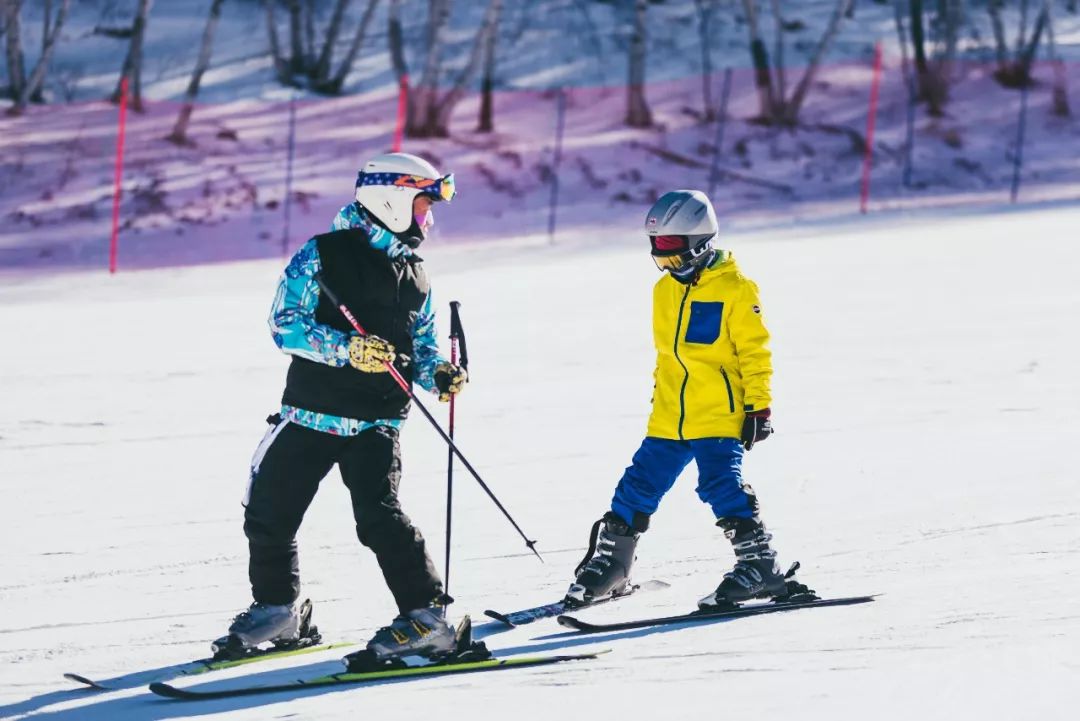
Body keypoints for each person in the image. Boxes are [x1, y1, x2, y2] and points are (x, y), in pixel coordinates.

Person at [215, 152, 468, 663]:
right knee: (269, 511)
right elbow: (284, 323)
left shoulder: (416, 274)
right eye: (423, 207)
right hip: (310, 412)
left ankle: (426, 618)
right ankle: (278, 610)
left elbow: (420, 346)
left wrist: (436, 371)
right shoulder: (322, 255)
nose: (428, 220)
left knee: (379, 518)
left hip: (376, 419)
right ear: (390, 202)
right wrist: (345, 349)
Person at [566, 189, 801, 610]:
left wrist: (758, 406)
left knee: (719, 485)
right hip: (670, 415)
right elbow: (667, 357)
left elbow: (754, 351)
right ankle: (613, 566)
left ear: (702, 243)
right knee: (637, 486)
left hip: (718, 411)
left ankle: (760, 565)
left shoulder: (736, 288)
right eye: (660, 254)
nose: (668, 264)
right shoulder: (664, 291)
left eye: (676, 254)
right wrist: (660, 399)